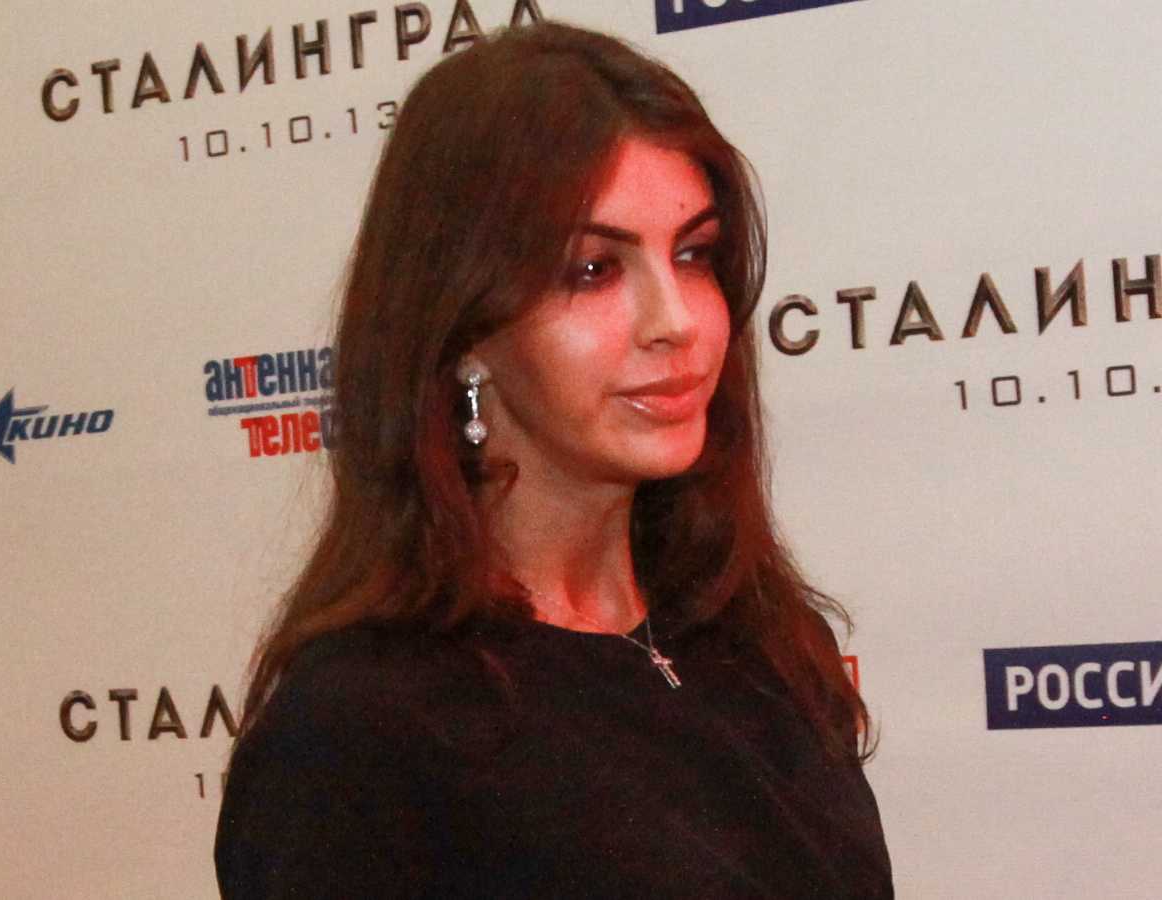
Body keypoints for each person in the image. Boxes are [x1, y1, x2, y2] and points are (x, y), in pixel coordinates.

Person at [214, 19, 892, 899]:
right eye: (594, 270)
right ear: (464, 322)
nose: (676, 321)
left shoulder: (759, 637)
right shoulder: (360, 731)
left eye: (694, 255)